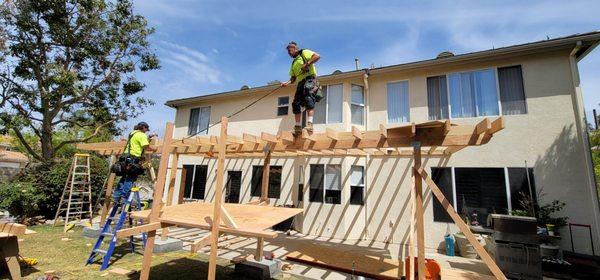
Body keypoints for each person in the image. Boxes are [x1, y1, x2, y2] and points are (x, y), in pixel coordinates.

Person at [280, 41, 321, 135]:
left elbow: (317, 56)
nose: (289, 54)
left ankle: (310, 125)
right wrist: (286, 83)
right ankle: (298, 127)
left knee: (308, 98)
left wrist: (307, 64)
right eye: (288, 53)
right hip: (300, 82)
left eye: (290, 51)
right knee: (296, 103)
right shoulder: (293, 63)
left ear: (295, 49)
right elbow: (293, 78)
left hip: (310, 79)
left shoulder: (304, 53)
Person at [112, 122, 157, 201]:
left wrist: (149, 137)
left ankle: (116, 196)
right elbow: (146, 147)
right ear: (143, 128)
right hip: (133, 159)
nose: (146, 131)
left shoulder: (133, 133)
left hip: (125, 159)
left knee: (124, 177)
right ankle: (124, 196)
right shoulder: (142, 135)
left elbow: (138, 141)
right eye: (146, 129)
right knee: (130, 178)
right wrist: (154, 148)